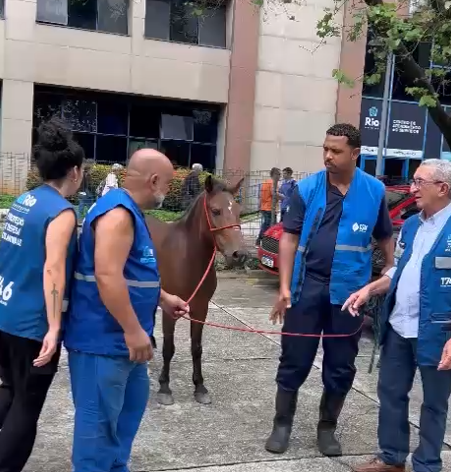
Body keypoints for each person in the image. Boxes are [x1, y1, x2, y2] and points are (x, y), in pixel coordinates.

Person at [265, 123, 394, 458]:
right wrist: (283, 288)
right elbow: (290, 238)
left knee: (340, 365)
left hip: (348, 296)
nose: (328, 156)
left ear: (355, 154)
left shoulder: (373, 192)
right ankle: (282, 424)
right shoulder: (306, 189)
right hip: (306, 289)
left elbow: (383, 235)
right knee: (294, 359)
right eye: (325, 148)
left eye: (336, 151)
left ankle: (327, 428)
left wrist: (391, 270)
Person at [63, 149, 190, 472]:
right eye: (169, 183)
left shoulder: (131, 212)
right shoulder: (118, 215)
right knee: (97, 433)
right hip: (104, 344)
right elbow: (107, 276)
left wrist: (162, 297)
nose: (169, 191)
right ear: (154, 181)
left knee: (124, 421)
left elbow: (130, 272)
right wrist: (134, 331)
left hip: (125, 345)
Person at [343, 159, 451, 472]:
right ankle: (392, 458)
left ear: (442, 188)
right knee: (390, 393)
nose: (412, 188)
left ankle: (427, 464)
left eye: (419, 182)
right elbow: (398, 270)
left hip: (438, 333)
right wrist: (370, 290)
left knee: (434, 403)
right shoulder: (413, 225)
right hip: (399, 327)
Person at [0, 117, 84, 471]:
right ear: (75, 171)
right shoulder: (61, 212)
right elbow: (53, 268)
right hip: (32, 325)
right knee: (27, 404)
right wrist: (53, 327)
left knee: (8, 388)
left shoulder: (25, 201)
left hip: (5, 311)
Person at [256, 167, 281, 246]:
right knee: (269, 225)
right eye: (279, 174)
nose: (280, 176)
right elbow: (274, 194)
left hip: (264, 207)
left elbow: (260, 195)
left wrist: (259, 206)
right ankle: (261, 241)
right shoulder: (272, 183)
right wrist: (284, 197)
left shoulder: (265, 182)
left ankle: (266, 242)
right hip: (270, 208)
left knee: (268, 225)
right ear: (274, 174)